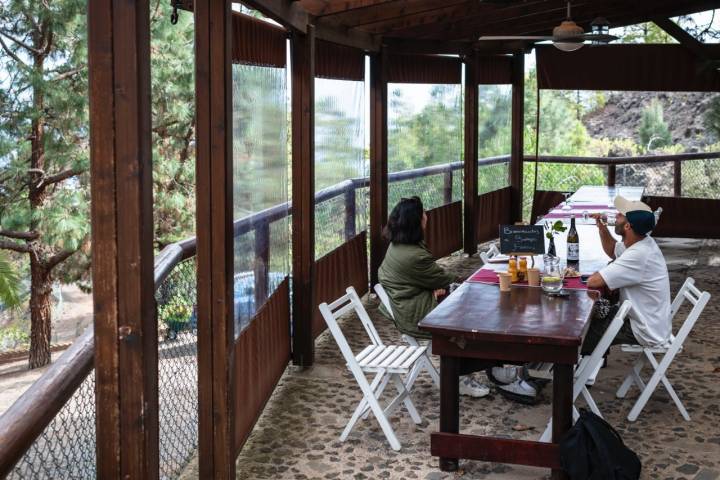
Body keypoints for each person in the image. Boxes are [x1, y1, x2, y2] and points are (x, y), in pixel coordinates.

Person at [378, 196, 490, 398]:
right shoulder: (415, 255)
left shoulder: (399, 245)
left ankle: (464, 370)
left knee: (461, 305)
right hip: (413, 312)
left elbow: (430, 278)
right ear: (416, 221)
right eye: (423, 213)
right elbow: (442, 278)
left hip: (408, 303)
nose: (426, 216)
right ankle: (458, 376)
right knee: (466, 316)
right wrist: (454, 282)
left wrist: (430, 288)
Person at [583, 195, 671, 356]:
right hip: (650, 321)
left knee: (583, 329)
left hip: (644, 330)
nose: (616, 216)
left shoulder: (638, 255)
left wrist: (600, 273)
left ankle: (576, 375)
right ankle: (586, 369)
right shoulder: (642, 242)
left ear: (628, 226)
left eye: (620, 215)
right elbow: (612, 251)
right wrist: (602, 227)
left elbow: (593, 282)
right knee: (597, 316)